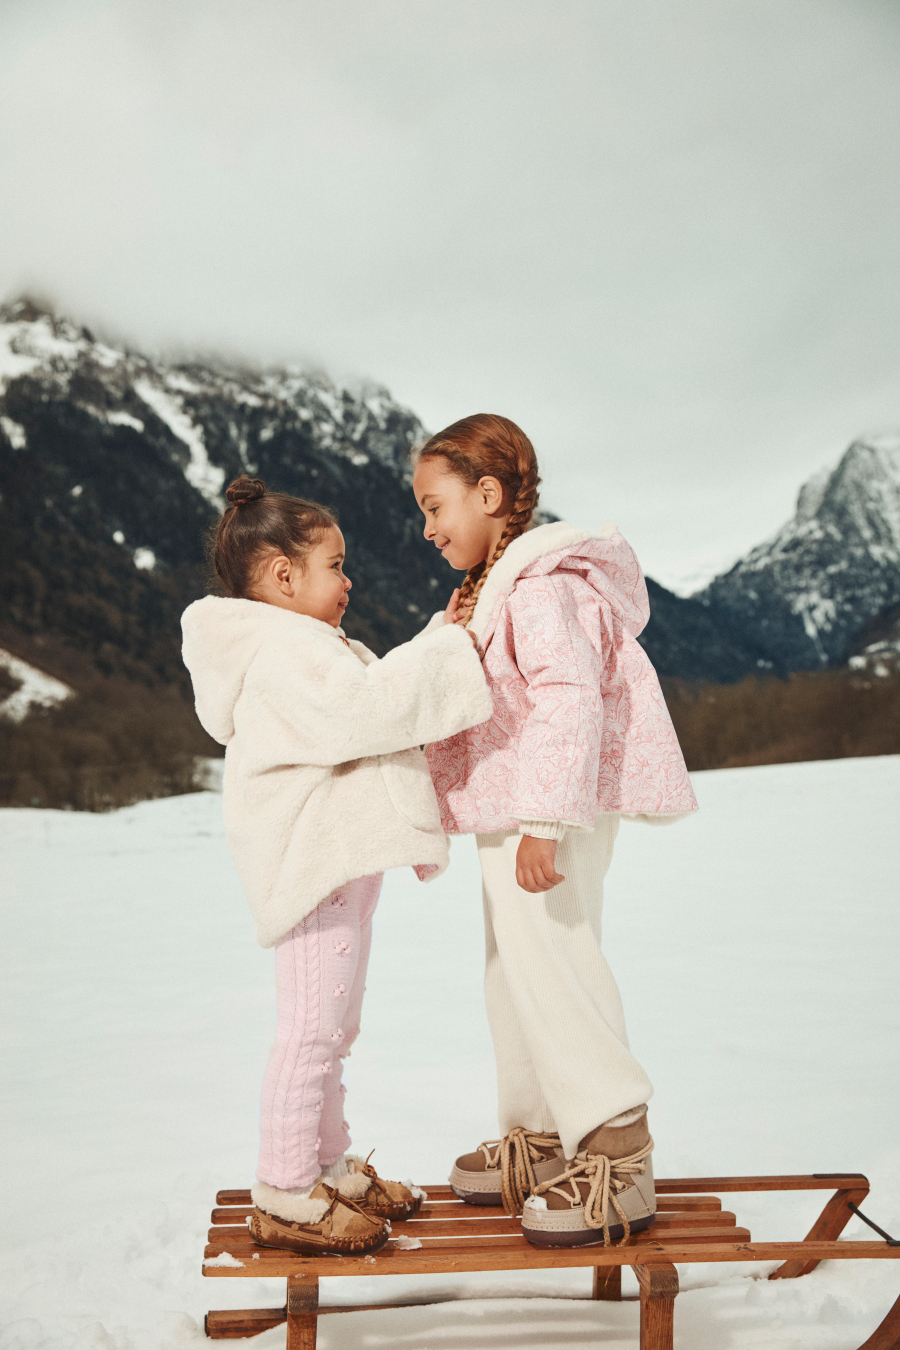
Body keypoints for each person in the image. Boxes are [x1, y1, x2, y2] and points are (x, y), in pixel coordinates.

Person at [181, 474, 491, 1256]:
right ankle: (286, 1190)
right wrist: (445, 647)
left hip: (336, 863)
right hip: (313, 867)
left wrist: (435, 635)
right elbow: (367, 710)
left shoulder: (306, 647)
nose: (349, 580)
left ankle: (326, 1167)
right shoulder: (279, 655)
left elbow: (371, 693)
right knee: (310, 1030)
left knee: (334, 1026)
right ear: (283, 576)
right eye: (335, 565)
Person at [412, 415, 698, 1249]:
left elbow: (569, 698)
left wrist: (545, 822)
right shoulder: (492, 590)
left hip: (546, 813)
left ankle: (617, 1148)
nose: (427, 528)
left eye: (435, 507)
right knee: (515, 970)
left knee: (557, 963)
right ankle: (540, 1134)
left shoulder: (540, 589)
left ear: (488, 495)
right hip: (518, 811)